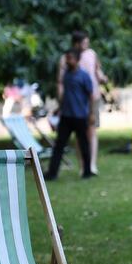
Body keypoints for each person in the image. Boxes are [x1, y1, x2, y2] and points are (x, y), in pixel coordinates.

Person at [58, 31, 108, 175]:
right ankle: (83, 166)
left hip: (92, 97)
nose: (87, 45)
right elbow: (61, 81)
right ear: (76, 43)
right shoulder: (66, 58)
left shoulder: (92, 54)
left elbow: (98, 72)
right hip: (75, 101)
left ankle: (91, 165)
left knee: (92, 130)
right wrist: (62, 99)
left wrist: (103, 79)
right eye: (84, 42)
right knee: (80, 135)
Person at [44, 49, 94, 181]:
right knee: (59, 145)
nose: (67, 61)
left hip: (80, 116)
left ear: (77, 60)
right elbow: (66, 95)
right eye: (67, 58)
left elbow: (91, 96)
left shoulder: (84, 76)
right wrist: (59, 109)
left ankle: (87, 171)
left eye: (70, 58)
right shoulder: (66, 75)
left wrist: (91, 113)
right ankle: (52, 173)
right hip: (66, 116)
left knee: (84, 144)